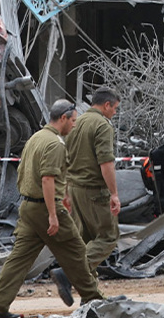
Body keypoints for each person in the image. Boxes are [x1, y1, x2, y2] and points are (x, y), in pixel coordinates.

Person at [0, 100, 104, 318]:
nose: (74, 125)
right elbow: (48, 179)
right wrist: (52, 214)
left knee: (18, 260)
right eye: (73, 121)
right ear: (63, 118)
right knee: (77, 252)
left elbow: (25, 172)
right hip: (46, 207)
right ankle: (94, 299)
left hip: (28, 207)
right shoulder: (55, 144)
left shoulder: (36, 138)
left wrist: (63, 195)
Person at [65, 88, 122, 278]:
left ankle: (87, 289)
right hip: (94, 190)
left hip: (74, 188)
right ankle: (69, 272)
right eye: (114, 108)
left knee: (86, 239)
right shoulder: (102, 125)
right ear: (106, 105)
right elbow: (106, 163)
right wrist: (114, 194)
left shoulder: (76, 122)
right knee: (108, 237)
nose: (115, 112)